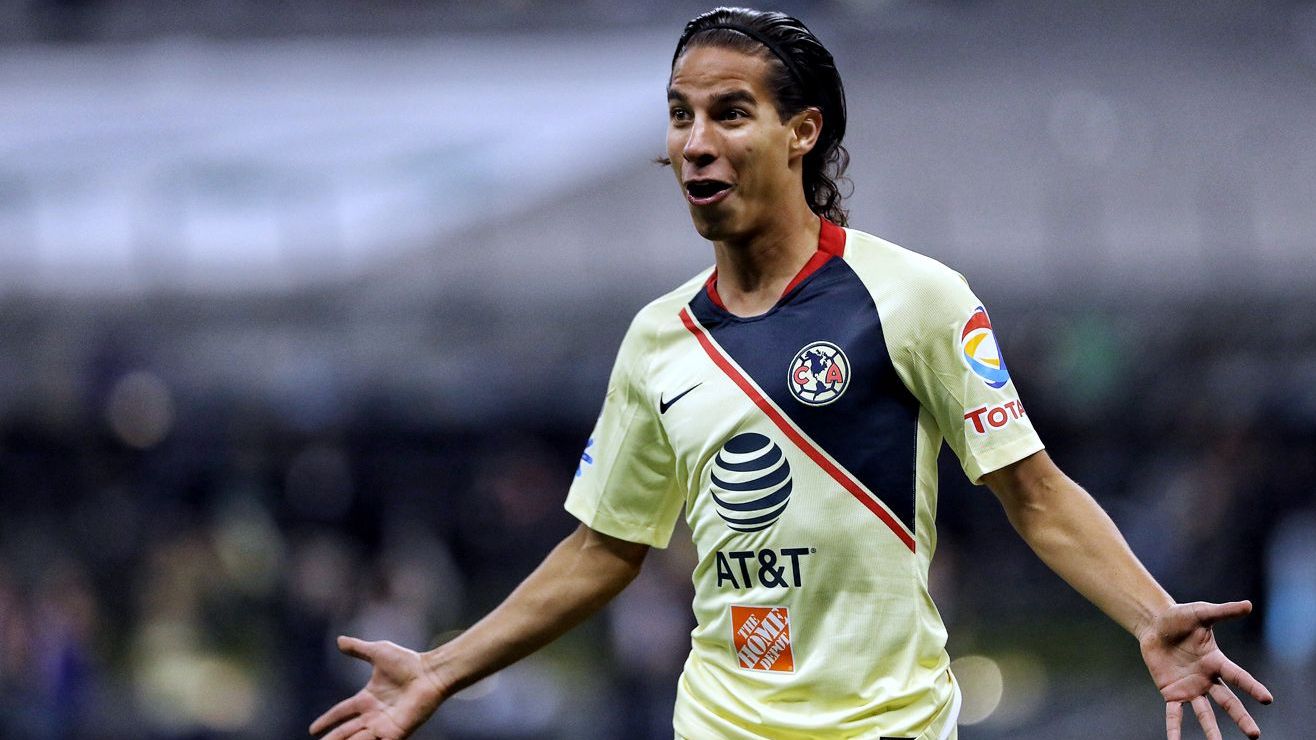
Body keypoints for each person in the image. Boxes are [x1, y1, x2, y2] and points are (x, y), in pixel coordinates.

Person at [310, 7, 1273, 739]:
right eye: (681, 115)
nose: (696, 142)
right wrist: (442, 668)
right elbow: (604, 549)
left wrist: (1151, 616)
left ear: (802, 132)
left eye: (731, 113)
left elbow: (1036, 493)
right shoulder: (658, 338)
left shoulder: (915, 298)